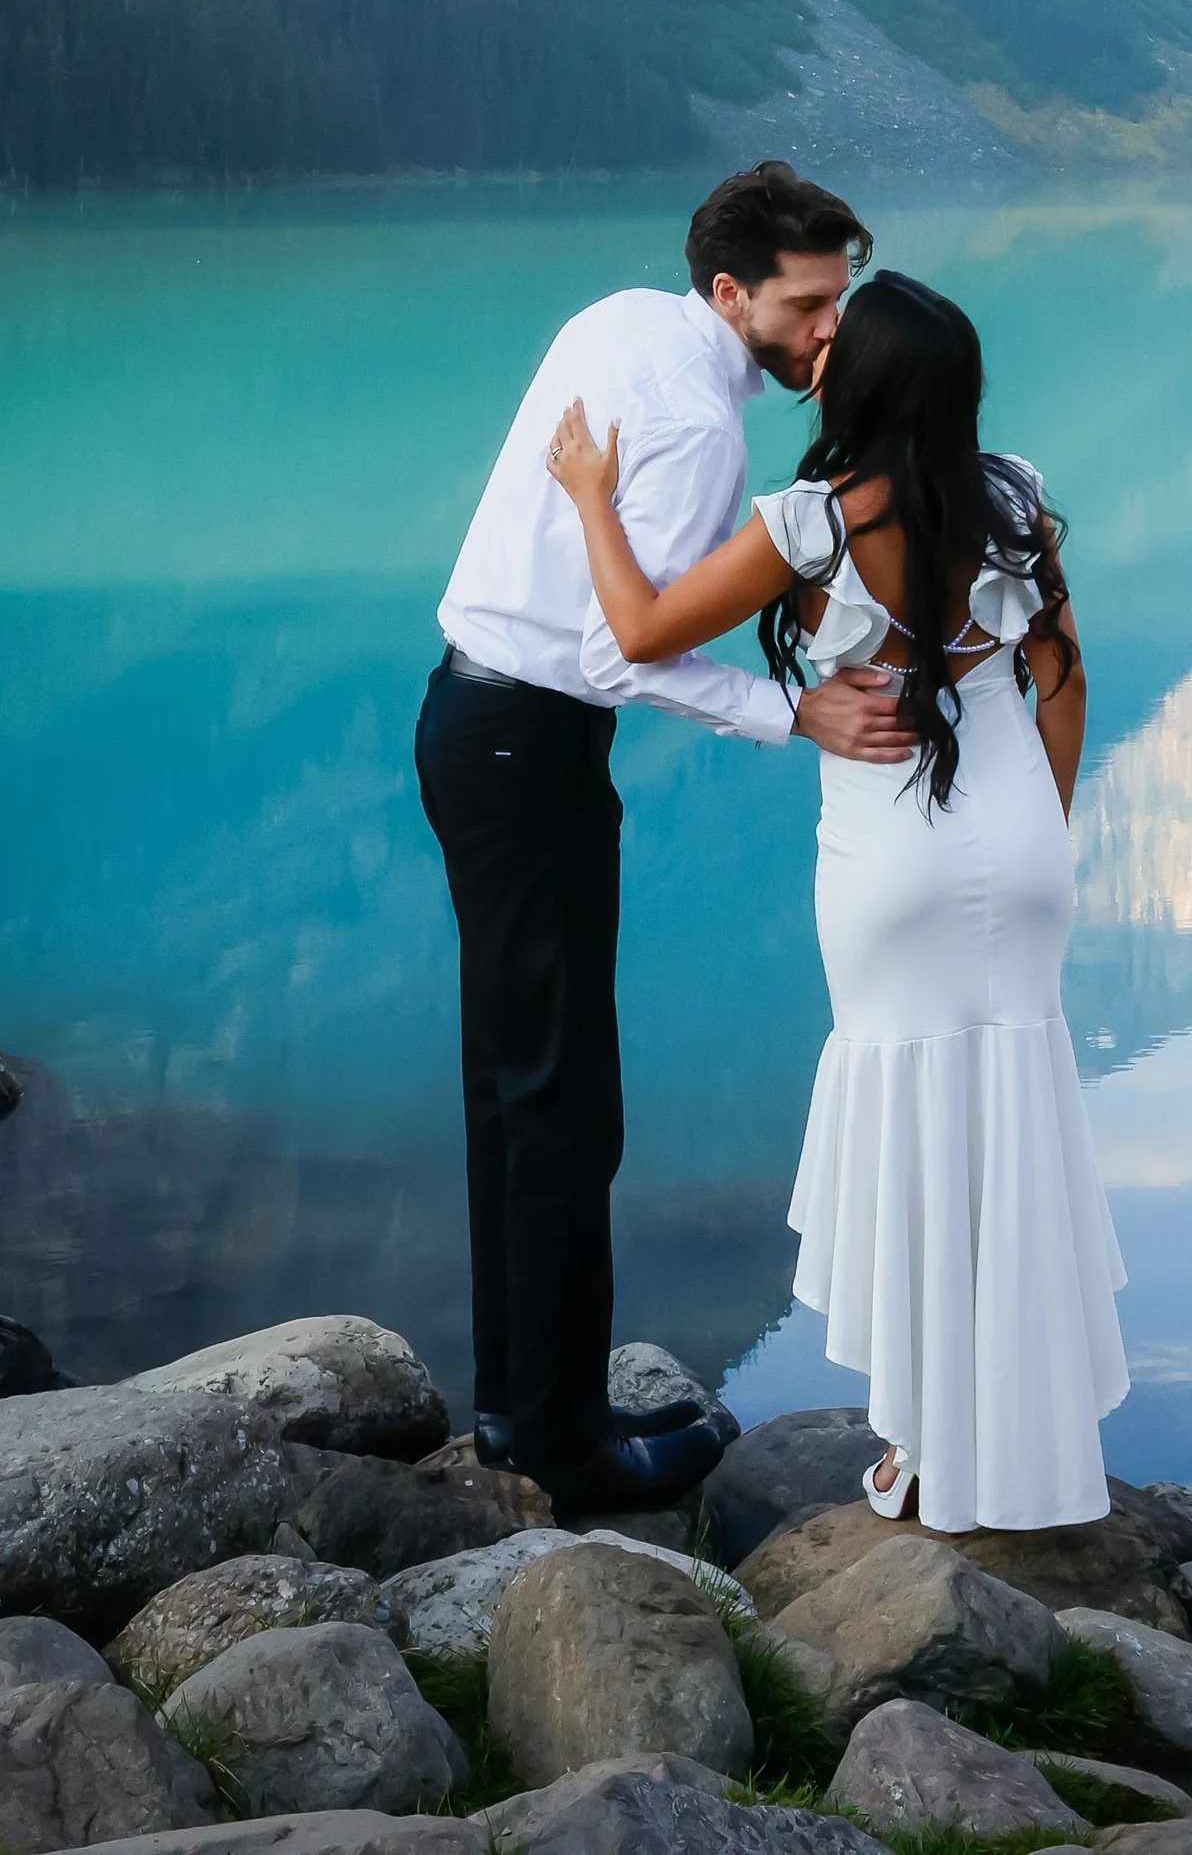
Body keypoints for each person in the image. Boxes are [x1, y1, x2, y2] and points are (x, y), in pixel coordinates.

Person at [546, 267, 1126, 1534]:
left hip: (891, 856)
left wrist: (592, 494)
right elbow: (1062, 679)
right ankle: (1029, 1448)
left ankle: (925, 1451)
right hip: (1023, 840)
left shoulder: (810, 521)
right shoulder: (1014, 496)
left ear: (854, 383)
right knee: (1011, 1115)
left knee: (912, 1121)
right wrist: (1041, 834)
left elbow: (638, 631)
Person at [416, 161, 914, 1523]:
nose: (830, 331)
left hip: (471, 719)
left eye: (840, 301)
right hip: (530, 739)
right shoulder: (699, 422)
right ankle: (567, 1451)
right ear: (730, 290)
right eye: (808, 305)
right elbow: (621, 643)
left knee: (511, 1087)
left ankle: (525, 1399)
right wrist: (792, 708)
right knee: (568, 1102)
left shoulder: (620, 319)